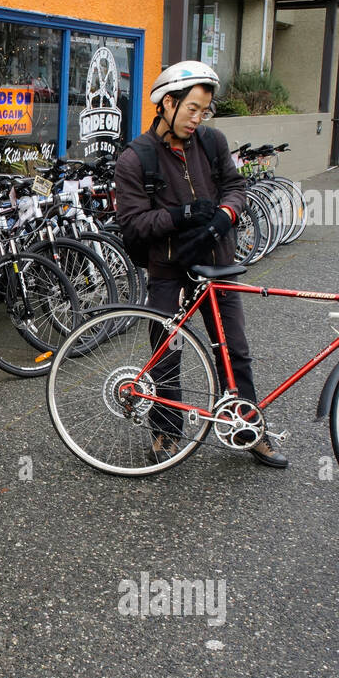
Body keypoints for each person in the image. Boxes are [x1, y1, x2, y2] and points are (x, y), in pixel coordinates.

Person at [113, 61, 288, 468]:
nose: (198, 118)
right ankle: (167, 430)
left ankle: (248, 426)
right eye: (192, 108)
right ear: (167, 103)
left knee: (235, 349)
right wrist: (181, 214)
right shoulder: (136, 160)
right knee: (167, 352)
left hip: (217, 264)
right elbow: (134, 225)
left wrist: (227, 213)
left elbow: (235, 185)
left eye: (204, 110)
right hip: (169, 269)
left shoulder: (212, 142)